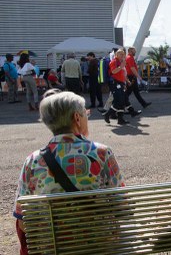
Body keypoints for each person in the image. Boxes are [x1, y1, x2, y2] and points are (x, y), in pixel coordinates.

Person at [13, 91, 125, 255]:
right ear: (77, 118)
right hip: (99, 246)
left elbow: (23, 222)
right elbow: (123, 206)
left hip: (53, 248)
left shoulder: (32, 161)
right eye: (86, 113)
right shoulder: (102, 153)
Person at [103, 49, 138, 125]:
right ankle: (108, 114)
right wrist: (121, 66)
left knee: (122, 101)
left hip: (120, 84)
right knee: (119, 101)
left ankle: (120, 119)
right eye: (120, 54)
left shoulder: (120, 62)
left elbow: (122, 74)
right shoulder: (114, 62)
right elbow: (113, 71)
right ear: (116, 55)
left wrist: (126, 82)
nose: (122, 56)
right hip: (115, 84)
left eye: (123, 54)